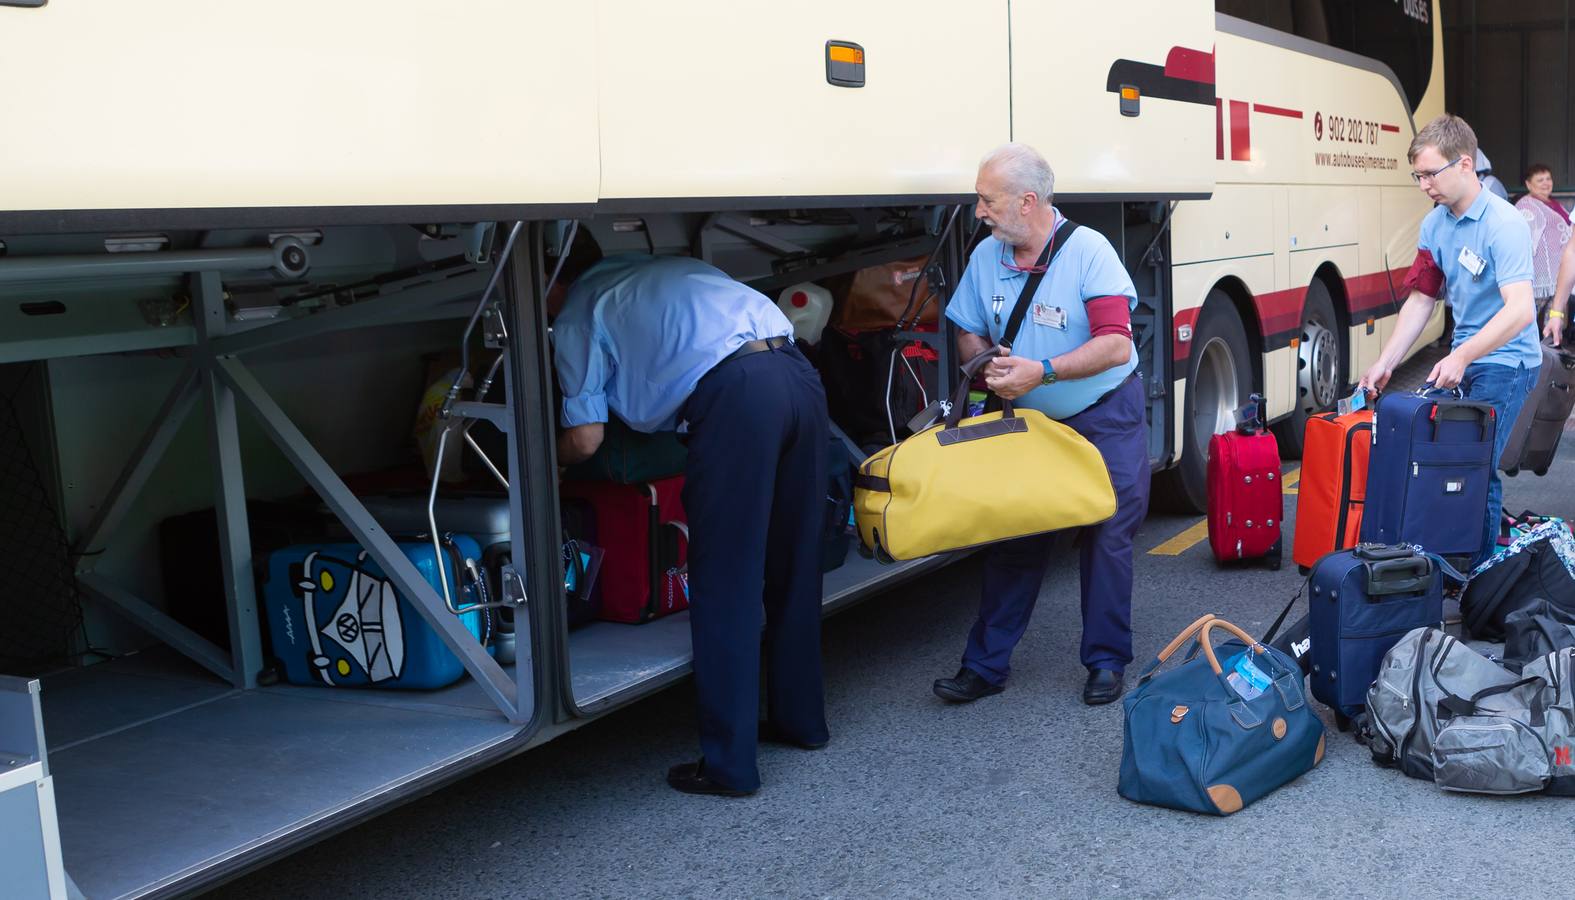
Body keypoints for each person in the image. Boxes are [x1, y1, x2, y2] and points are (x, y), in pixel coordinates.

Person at [552, 251, 830, 797]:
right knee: (794, 562)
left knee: (726, 580)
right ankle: (802, 723)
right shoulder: (664, 266)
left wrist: (542, 464)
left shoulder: (577, 311)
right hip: (799, 374)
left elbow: (586, 439)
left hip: (737, 396)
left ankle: (730, 766)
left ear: (549, 279)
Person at [930, 142, 1150, 707]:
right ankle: (984, 665)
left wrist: (1042, 371)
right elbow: (966, 328)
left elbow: (1115, 346)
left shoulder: (1089, 251)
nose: (978, 211)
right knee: (1017, 533)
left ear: (1028, 202)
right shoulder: (988, 255)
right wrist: (983, 364)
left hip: (1103, 415)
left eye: (987, 200)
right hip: (1028, 422)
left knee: (1106, 535)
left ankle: (1105, 661)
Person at [1358, 115, 1539, 567]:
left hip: (1508, 359)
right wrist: (1386, 362)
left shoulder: (1505, 223)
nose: (1423, 186)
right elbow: (1422, 301)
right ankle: (1436, 564)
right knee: (1439, 458)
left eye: (1429, 174)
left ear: (1464, 164)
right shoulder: (1434, 226)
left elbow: (1519, 310)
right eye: (1417, 176)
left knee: (1477, 465)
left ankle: (1477, 580)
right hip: (1466, 355)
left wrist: (1462, 353)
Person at [1514, 163, 1571, 326]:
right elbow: (1523, 240)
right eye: (1540, 180)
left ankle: (1551, 347)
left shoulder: (1553, 203)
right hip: (1540, 275)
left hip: (1558, 272)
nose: (1546, 183)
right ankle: (1521, 349)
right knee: (1529, 316)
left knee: (1554, 316)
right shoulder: (1526, 205)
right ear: (1528, 184)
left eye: (1548, 179)